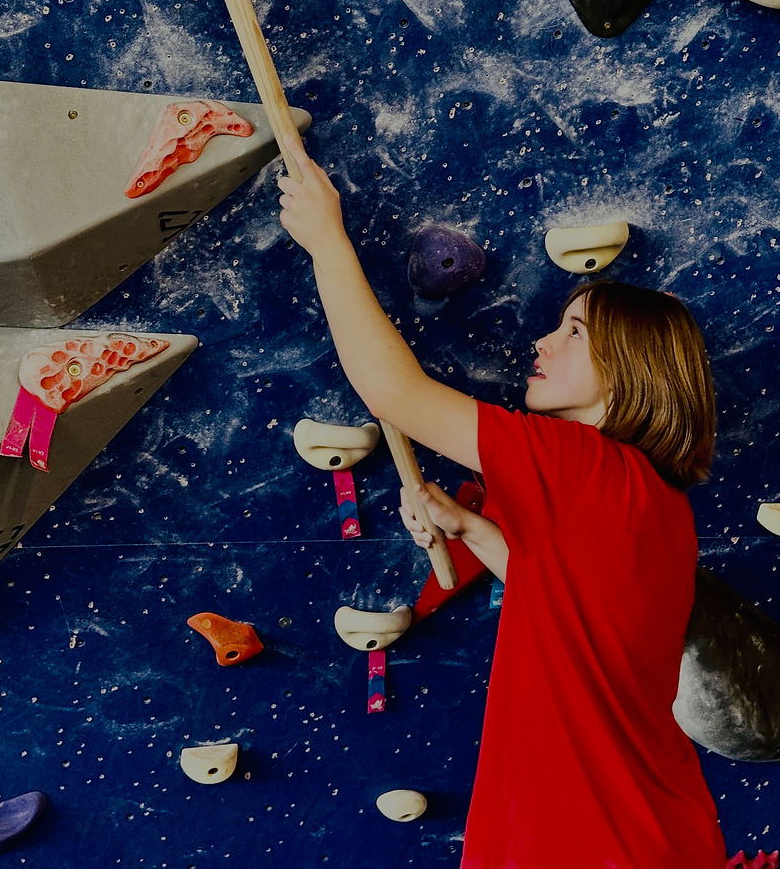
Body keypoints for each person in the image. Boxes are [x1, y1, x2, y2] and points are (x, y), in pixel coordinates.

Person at [277, 136, 726, 869]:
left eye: (574, 331)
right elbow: (568, 605)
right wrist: (471, 529)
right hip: (649, 833)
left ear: (630, 368)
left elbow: (393, 392)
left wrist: (327, 241)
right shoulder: (657, 502)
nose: (543, 342)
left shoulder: (577, 459)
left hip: (587, 843)